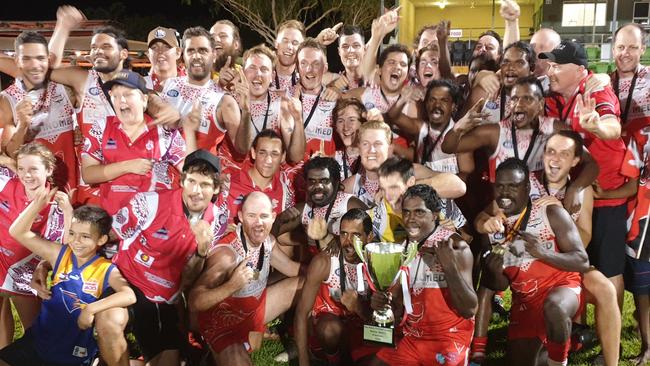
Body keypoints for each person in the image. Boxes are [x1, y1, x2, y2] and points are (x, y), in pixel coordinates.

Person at [474, 132, 621, 366]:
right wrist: (488, 223)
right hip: (526, 267)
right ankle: (571, 336)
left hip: (562, 263)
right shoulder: (523, 181)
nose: (555, 159)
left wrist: (552, 232)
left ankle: (610, 359)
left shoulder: (581, 190)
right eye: (550, 151)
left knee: (604, 288)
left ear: (574, 160)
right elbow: (485, 215)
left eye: (564, 154)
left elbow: (584, 236)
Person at [540, 40, 627, 310]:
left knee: (608, 270)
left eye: (557, 65)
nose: (550, 70)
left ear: (579, 71)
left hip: (606, 195)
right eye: (550, 64)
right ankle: (580, 329)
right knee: (577, 263)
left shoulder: (595, 91)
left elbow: (612, 125)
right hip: (575, 191)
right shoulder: (555, 95)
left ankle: (608, 340)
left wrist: (598, 127)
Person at [3, 190, 135, 366]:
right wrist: (37, 205)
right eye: (72, 233)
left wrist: (90, 309)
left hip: (72, 353)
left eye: (85, 236)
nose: (76, 241)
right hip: (37, 342)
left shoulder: (105, 269)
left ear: (102, 240)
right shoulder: (60, 254)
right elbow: (18, 232)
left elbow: (128, 295)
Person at [482, 158, 589, 366]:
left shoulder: (550, 212)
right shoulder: (493, 229)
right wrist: (494, 271)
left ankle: (560, 359)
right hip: (525, 302)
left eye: (513, 186)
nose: (505, 193)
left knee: (554, 307)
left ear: (527, 187)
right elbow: (500, 285)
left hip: (562, 288)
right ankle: (573, 339)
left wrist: (543, 253)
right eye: (500, 186)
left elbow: (582, 261)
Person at [189, 192, 303, 366]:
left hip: (252, 312)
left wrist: (328, 268)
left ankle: (309, 344)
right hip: (222, 323)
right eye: (252, 216)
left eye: (264, 216)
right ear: (241, 217)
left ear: (273, 217)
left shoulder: (268, 241)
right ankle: (208, 350)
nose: (258, 223)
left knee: (307, 283)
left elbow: (291, 268)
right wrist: (231, 286)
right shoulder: (227, 255)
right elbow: (194, 301)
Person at [371, 184, 477, 366]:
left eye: (419, 212)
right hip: (413, 337)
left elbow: (469, 310)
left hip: (448, 338)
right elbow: (397, 306)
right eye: (406, 212)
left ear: (435, 215)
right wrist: (381, 302)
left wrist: (449, 267)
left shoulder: (455, 246)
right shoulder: (401, 249)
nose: (410, 219)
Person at [81, 70, 186, 215]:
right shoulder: (101, 127)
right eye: (115, 96)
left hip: (154, 222)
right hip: (113, 221)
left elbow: (189, 170)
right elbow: (88, 174)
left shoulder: (164, 132)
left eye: (128, 94)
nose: (121, 101)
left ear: (144, 99)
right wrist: (127, 166)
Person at [0, 143, 66, 349]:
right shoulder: (5, 182)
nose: (26, 175)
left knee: (34, 337)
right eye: (21, 169)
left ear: (49, 170)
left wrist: (43, 266)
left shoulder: (58, 203)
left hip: (25, 274)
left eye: (33, 169)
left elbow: (56, 247)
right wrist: (7, 161)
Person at [294, 209, 377, 365]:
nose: (348, 241)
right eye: (344, 234)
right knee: (329, 329)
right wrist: (303, 361)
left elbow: (385, 319)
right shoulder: (324, 262)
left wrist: (358, 308)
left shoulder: (379, 261)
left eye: (356, 235)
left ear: (369, 237)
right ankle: (334, 359)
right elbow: (302, 313)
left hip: (363, 324)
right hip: (331, 325)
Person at [0, 30, 77, 193]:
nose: (34, 65)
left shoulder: (66, 88)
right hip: (34, 192)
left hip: (71, 187)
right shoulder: (7, 99)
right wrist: (23, 126)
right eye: (26, 58)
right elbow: (9, 155)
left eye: (40, 58)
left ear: (48, 59)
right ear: (16, 60)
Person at [161, 26, 250, 159]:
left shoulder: (224, 101)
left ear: (214, 55)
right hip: (161, 176)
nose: (196, 56)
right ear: (183, 55)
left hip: (198, 176)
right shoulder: (168, 85)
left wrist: (246, 112)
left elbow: (242, 149)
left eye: (203, 51)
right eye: (191, 51)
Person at [342, 120, 467, 207]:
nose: (371, 150)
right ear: (359, 148)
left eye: (378, 144)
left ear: (390, 149)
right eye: (365, 144)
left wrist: (405, 188)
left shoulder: (409, 171)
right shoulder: (350, 186)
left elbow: (458, 186)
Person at [272, 156, 367, 260]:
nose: (318, 187)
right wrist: (279, 220)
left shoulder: (350, 205)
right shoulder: (304, 209)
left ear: (336, 183)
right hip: (316, 271)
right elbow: (268, 235)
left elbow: (373, 242)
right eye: (312, 181)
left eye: (324, 181)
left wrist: (340, 240)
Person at [238, 44, 305, 163]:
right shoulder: (231, 100)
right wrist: (245, 111)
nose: (258, 74)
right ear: (243, 72)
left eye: (264, 69)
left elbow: (296, 157)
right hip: (236, 176)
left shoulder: (281, 103)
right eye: (252, 68)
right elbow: (242, 150)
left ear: (272, 77)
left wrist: (298, 120)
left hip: (270, 174)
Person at [226, 130, 302, 223]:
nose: (268, 160)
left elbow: (284, 235)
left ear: (282, 157)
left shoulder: (285, 193)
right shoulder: (228, 184)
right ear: (253, 153)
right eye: (262, 153)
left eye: (274, 154)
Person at [611, 23, 649, 138]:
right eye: (621, 47)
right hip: (615, 150)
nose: (625, 53)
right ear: (613, 50)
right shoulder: (604, 84)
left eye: (632, 47)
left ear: (642, 49)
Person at [332, 98, 365, 180]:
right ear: (335, 127)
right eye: (340, 121)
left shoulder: (372, 157)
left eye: (351, 120)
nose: (346, 127)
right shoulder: (332, 160)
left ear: (363, 124)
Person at [144, 26, 183, 92]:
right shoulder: (140, 86)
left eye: (167, 47)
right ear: (148, 55)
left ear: (178, 52)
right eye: (154, 47)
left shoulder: (193, 86)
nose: (160, 51)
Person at [273, 20, 305, 91]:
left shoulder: (306, 77)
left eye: (295, 43)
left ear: (301, 48)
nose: (289, 46)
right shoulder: (262, 73)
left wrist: (335, 88)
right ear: (276, 44)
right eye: (285, 41)